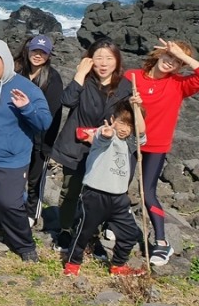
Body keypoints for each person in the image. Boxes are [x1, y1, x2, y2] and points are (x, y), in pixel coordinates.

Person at [0, 40, 52, 262]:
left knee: (9, 203)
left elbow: (44, 122)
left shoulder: (26, 88)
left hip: (11, 160)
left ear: (4, 60)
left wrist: (27, 108)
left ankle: (25, 245)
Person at [50, 39, 131, 254]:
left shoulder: (125, 86)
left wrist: (122, 129)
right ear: (89, 60)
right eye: (98, 58)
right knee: (70, 190)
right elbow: (66, 101)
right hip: (76, 146)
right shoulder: (84, 80)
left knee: (98, 195)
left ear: (117, 61)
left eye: (109, 58)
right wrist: (80, 73)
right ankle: (66, 229)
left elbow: (126, 120)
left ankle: (91, 235)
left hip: (104, 150)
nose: (103, 63)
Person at [124, 38, 199, 265]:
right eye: (168, 56)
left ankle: (162, 243)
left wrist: (183, 56)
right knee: (117, 187)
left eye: (176, 61)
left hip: (156, 146)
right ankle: (113, 224)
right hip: (129, 142)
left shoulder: (178, 84)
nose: (170, 62)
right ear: (158, 54)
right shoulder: (132, 77)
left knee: (148, 192)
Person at [63, 101, 147, 277]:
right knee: (83, 232)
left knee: (130, 233)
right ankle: (73, 263)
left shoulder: (130, 144)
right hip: (95, 195)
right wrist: (107, 133)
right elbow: (103, 137)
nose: (124, 129)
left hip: (119, 198)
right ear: (112, 119)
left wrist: (137, 108)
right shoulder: (104, 134)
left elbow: (141, 132)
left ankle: (118, 265)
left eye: (129, 125)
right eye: (122, 123)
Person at [14, 35, 63, 226]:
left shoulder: (53, 79)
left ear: (49, 55)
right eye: (35, 51)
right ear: (28, 51)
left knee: (35, 178)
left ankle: (33, 212)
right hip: (20, 135)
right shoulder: (19, 72)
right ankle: (15, 207)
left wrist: (47, 145)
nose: (38, 55)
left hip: (41, 139)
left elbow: (53, 115)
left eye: (43, 52)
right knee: (18, 175)